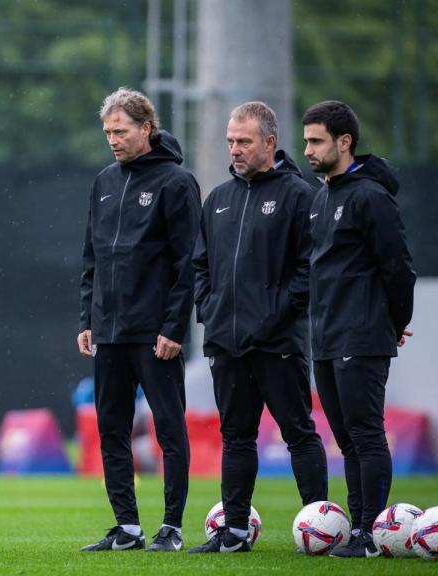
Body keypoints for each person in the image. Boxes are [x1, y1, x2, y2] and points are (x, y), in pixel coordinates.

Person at [189, 102, 328, 554]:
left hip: (277, 343)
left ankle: (321, 528)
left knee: (298, 433)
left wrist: (272, 316)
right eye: (231, 141)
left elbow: (310, 270)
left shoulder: (298, 195)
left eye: (244, 141)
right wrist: (209, 309)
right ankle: (233, 533)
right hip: (226, 344)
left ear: (270, 142)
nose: (235, 149)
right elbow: (200, 265)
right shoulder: (219, 199)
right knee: (235, 437)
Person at [77, 87, 201, 552]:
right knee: (112, 430)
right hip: (108, 333)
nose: (113, 139)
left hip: (155, 336)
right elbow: (92, 257)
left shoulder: (176, 182)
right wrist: (87, 317)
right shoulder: (104, 182)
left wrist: (173, 327)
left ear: (146, 128)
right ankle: (127, 528)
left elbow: (189, 263)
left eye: (121, 131)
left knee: (169, 429)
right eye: (108, 132)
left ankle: (171, 527)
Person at [301, 100, 416, 558]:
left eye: (316, 140)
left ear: (344, 142)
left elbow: (399, 268)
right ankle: (357, 531)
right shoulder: (321, 196)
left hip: (361, 335)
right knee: (346, 438)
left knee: (366, 433)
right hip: (326, 337)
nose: (307, 149)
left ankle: (371, 533)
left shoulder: (370, 197)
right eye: (306, 139)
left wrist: (394, 321)